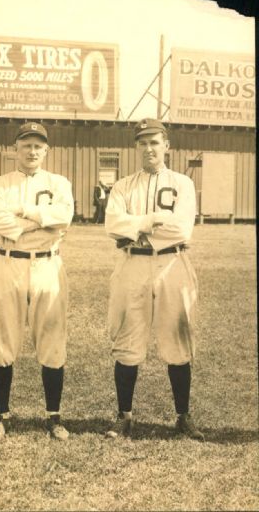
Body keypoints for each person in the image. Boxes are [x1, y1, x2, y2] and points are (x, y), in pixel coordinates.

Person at [104, 117, 204, 441]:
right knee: (127, 340)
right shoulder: (122, 186)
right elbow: (113, 226)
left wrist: (136, 226)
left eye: (155, 142)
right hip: (132, 264)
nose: (149, 148)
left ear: (167, 146)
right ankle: (124, 416)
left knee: (178, 337)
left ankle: (183, 416)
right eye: (143, 142)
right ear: (136, 146)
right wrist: (152, 220)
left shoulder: (183, 183)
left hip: (172, 264)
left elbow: (181, 229)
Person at [0, 122, 74, 440]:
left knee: (52, 338)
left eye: (38, 146)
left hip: (48, 264)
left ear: (46, 150)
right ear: (15, 150)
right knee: (3, 338)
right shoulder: (0, 184)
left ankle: (54, 417)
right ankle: (0, 417)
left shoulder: (59, 182)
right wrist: (40, 220)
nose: (32, 151)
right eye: (26, 145)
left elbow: (63, 217)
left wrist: (21, 214)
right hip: (8, 264)